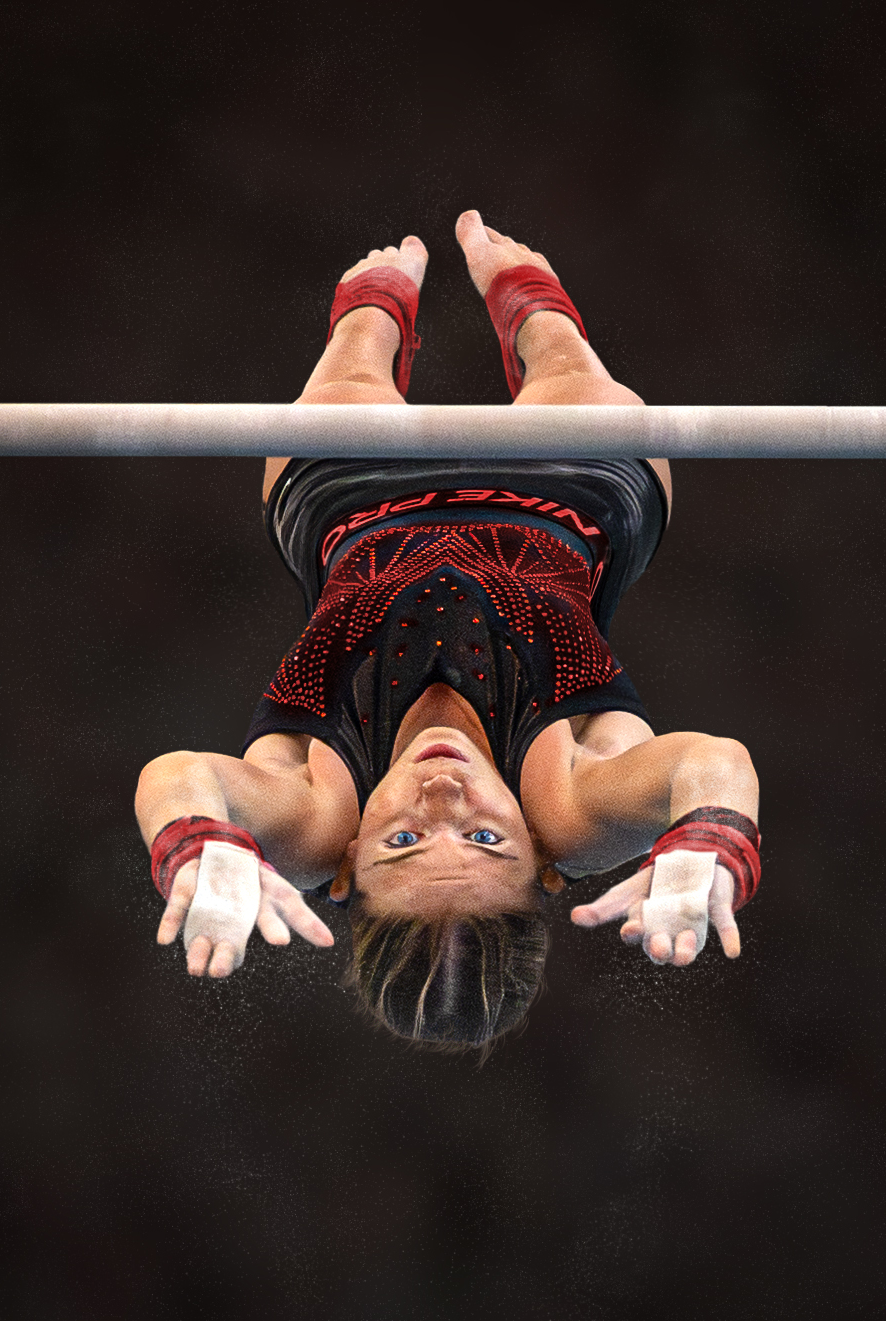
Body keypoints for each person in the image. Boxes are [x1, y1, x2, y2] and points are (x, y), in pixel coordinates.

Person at [134, 210, 760, 1050]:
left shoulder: (318, 814)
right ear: (541, 859)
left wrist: (196, 842)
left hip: (356, 514)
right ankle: (531, 309)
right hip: (564, 507)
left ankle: (370, 310)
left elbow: (175, 774)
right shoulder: (569, 805)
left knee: (342, 389)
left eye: (402, 839)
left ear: (347, 863)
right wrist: (710, 835)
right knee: (590, 393)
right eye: (482, 836)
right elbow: (710, 760)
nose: (442, 799)